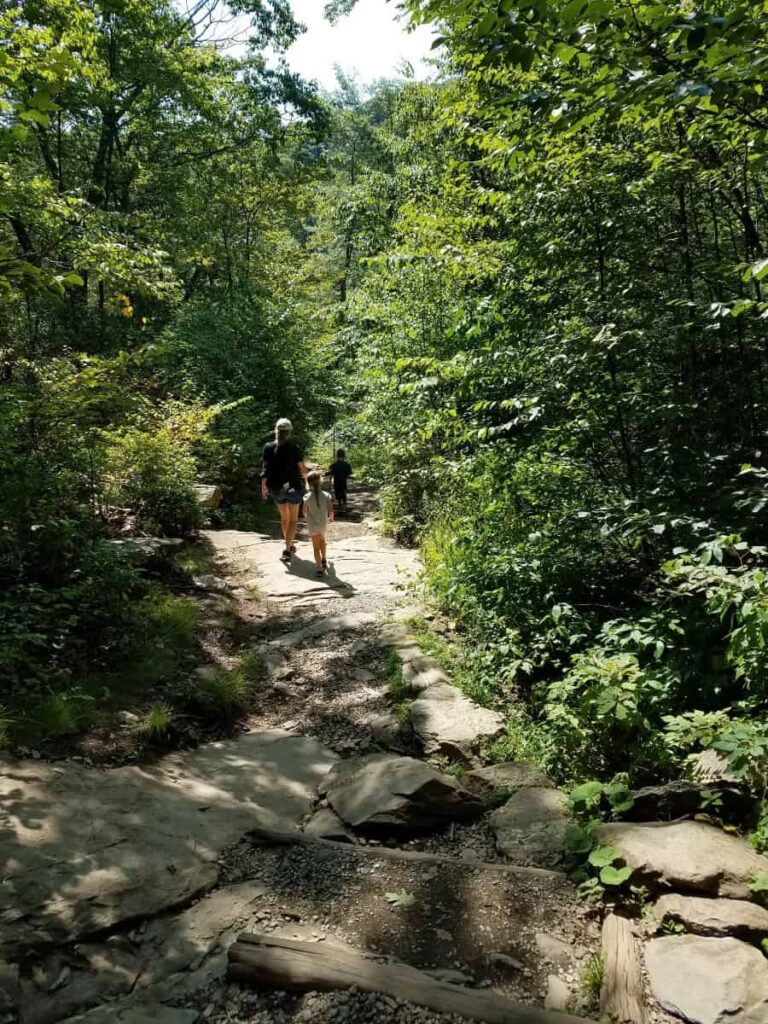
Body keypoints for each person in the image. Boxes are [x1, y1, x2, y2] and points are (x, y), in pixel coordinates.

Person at [261, 418, 306, 562]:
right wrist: (309, 482)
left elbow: (265, 469)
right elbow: (303, 469)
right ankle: (287, 549)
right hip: (293, 487)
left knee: (284, 518)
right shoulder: (295, 448)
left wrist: (263, 486)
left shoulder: (268, 447)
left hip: (276, 487)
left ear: (276, 430)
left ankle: (289, 544)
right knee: (293, 520)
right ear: (289, 432)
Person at [305, 469, 333, 576]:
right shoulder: (326, 495)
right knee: (323, 541)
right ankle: (324, 559)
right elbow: (330, 509)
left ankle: (319, 568)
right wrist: (330, 517)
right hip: (323, 524)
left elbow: (304, 512)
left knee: (315, 547)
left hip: (312, 525)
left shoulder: (307, 497)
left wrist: (307, 515)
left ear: (308, 483)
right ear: (320, 481)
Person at [328, 448, 353, 515]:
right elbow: (349, 473)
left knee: (338, 494)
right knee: (344, 493)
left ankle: (340, 507)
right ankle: (344, 506)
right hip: (343, 481)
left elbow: (331, 472)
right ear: (344, 456)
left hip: (336, 481)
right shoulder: (347, 465)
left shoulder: (334, 465)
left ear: (337, 456)